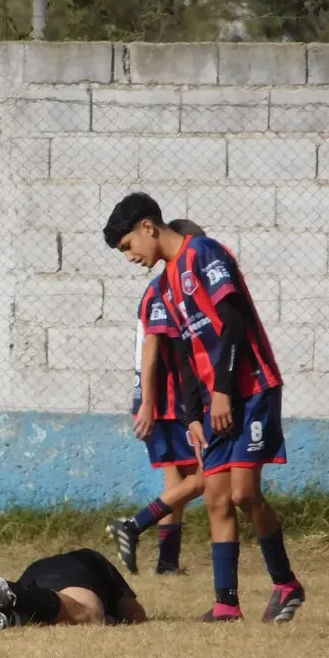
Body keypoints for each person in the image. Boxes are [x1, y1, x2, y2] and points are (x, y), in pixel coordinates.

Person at [104, 193, 304, 624]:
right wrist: (193, 414)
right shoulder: (167, 281)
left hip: (248, 391)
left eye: (126, 246)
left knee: (243, 494)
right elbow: (186, 355)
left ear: (148, 228)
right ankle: (226, 605)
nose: (129, 257)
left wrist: (225, 392)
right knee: (215, 498)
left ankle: (286, 583)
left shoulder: (204, 253)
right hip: (214, 404)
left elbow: (234, 321)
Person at [107, 221, 205, 576]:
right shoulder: (163, 290)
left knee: (176, 482)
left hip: (166, 400)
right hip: (166, 402)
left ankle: (166, 562)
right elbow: (151, 349)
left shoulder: (172, 287)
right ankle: (133, 525)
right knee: (208, 475)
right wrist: (148, 402)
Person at [0, 549, 147, 629]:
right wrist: (111, 619)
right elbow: (135, 613)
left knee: (36, 617)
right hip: (72, 571)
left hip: (35, 572)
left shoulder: (87, 558)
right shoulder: (94, 559)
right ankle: (9, 590)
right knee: (91, 611)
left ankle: (6, 615)